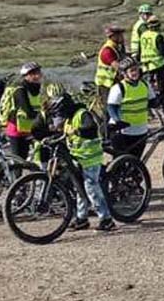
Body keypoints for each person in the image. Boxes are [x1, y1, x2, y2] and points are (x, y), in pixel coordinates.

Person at [46, 94, 115, 232]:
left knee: (91, 188)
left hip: (90, 157)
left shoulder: (82, 114)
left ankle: (106, 219)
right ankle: (81, 218)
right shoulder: (69, 119)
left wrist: (77, 131)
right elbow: (65, 134)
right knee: (79, 188)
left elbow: (91, 130)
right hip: (78, 157)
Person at [107, 58, 156, 158]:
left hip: (140, 130)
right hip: (123, 132)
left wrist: (161, 99)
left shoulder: (145, 85)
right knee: (121, 163)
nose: (135, 73)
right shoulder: (118, 88)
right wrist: (117, 121)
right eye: (132, 70)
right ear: (124, 74)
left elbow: (152, 102)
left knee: (136, 162)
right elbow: (111, 108)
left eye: (136, 69)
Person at [2, 62, 45, 160]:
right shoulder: (20, 90)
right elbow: (27, 111)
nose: (39, 75)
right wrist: (44, 116)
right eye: (36, 73)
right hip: (16, 130)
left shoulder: (36, 89)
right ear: (28, 75)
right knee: (18, 161)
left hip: (28, 128)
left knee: (28, 158)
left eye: (39, 72)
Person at [138, 15, 164, 96]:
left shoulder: (143, 35)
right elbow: (162, 51)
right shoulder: (158, 36)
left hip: (145, 64)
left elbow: (140, 50)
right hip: (157, 64)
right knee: (161, 86)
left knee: (149, 84)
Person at [95, 24, 126, 101]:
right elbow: (118, 67)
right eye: (120, 35)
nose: (122, 37)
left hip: (114, 83)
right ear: (113, 36)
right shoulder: (107, 51)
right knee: (109, 108)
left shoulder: (117, 47)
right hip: (106, 85)